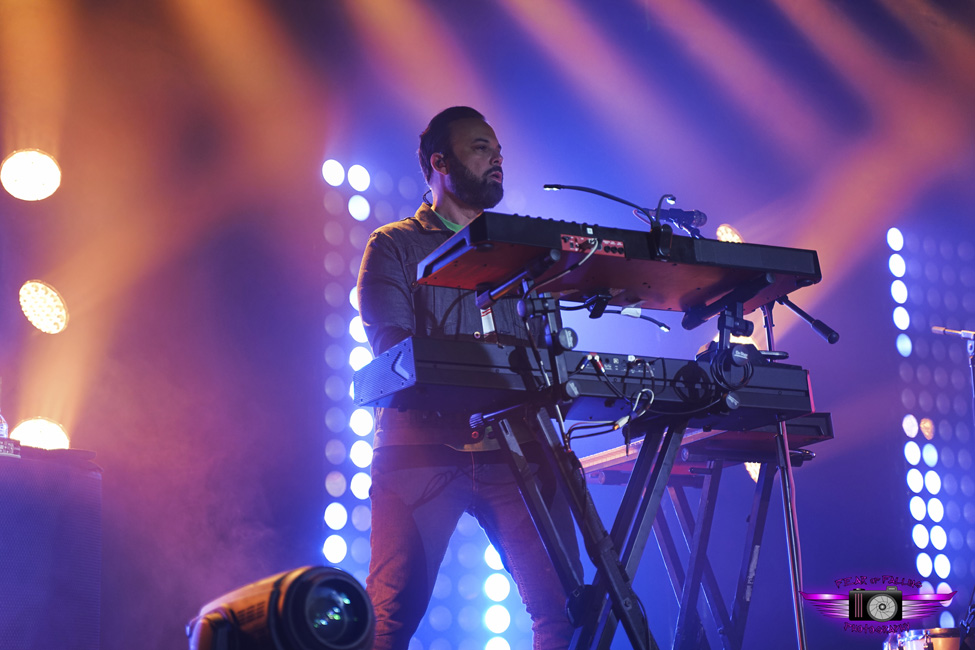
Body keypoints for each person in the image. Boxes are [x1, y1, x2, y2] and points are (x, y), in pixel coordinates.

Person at [357, 106, 583, 650]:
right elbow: (395, 353)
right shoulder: (392, 246)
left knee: (566, 610)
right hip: (423, 449)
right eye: (481, 147)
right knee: (387, 620)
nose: (497, 157)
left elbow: (546, 357)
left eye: (499, 149)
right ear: (440, 162)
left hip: (516, 450)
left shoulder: (524, 255)